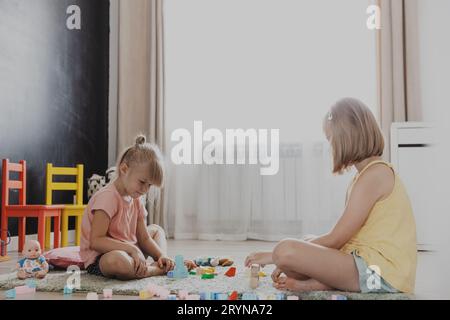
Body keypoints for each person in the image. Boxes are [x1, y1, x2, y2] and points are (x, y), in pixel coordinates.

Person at [245, 97, 417, 294]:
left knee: (286, 250)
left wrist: (273, 256)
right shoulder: (367, 174)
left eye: (331, 139)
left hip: (380, 273)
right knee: (306, 241)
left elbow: (336, 239)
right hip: (368, 264)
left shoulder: (374, 176)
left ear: (346, 138)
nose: (331, 147)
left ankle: (319, 283)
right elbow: (342, 239)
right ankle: (321, 282)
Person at [80, 135, 195, 280]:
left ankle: (162, 262)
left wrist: (161, 255)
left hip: (130, 249)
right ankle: (157, 270)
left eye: (149, 185)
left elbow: (144, 238)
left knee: (157, 230)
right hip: (103, 258)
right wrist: (131, 249)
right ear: (124, 169)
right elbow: (96, 241)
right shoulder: (107, 197)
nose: (145, 190)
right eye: (142, 182)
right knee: (119, 261)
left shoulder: (136, 198)